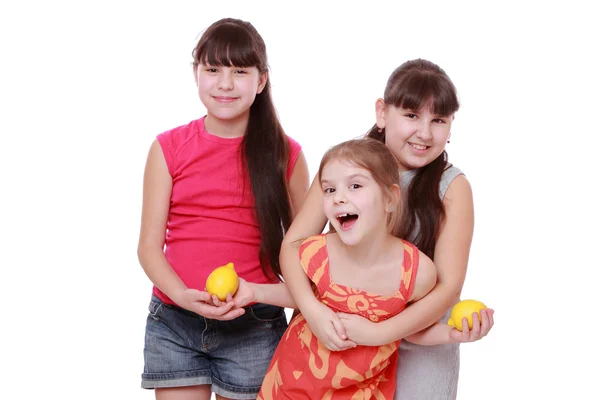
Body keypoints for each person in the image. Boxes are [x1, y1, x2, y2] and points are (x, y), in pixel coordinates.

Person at [279, 59, 495, 400]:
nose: (424, 133)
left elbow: (448, 287)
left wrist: (381, 332)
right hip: (344, 330)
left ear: (451, 126)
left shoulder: (452, 187)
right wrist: (313, 309)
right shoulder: (344, 168)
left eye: (438, 120)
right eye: (411, 116)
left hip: (419, 336)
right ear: (382, 113)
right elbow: (294, 245)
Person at [137, 18, 310, 400]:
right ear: (196, 73)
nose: (225, 83)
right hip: (174, 321)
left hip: (256, 326)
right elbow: (148, 247)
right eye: (213, 69)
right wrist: (182, 295)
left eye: (240, 71)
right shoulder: (167, 148)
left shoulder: (288, 156)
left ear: (261, 81)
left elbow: (309, 256)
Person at [259, 138, 459, 398]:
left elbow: (411, 330)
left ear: (390, 198)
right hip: (291, 386)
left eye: (355, 186)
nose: (339, 198)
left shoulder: (416, 273)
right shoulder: (315, 252)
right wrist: (253, 292)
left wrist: (454, 333)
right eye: (329, 190)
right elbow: (299, 294)